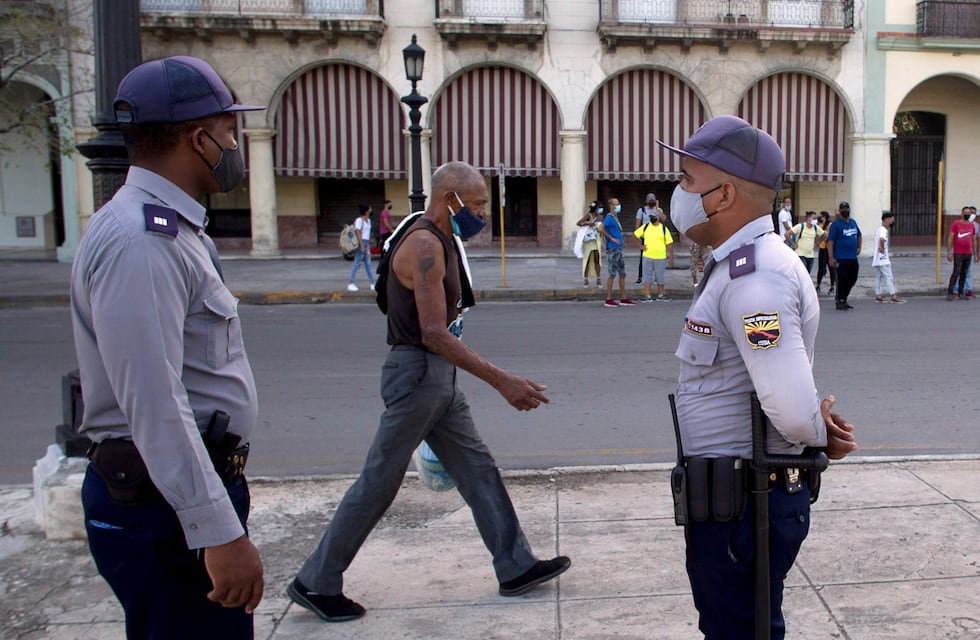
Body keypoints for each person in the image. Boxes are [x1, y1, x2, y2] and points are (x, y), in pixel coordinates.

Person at [287, 161, 571, 623]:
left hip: (435, 377)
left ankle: (515, 566)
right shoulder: (423, 245)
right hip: (419, 374)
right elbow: (434, 333)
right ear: (450, 199)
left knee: (477, 469)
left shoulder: (437, 238)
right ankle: (315, 582)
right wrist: (503, 381)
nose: (481, 213)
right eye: (477, 204)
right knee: (378, 482)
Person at [69, 56, 265, 639]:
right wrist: (217, 531)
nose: (235, 142)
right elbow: (153, 401)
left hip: (177, 491)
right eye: (228, 129)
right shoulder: (141, 241)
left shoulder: (170, 228)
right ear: (195, 137)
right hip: (163, 506)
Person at [657, 115, 858, 640]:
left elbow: (791, 411)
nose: (677, 193)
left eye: (686, 181)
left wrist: (819, 435)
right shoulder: (734, 267)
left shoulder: (757, 278)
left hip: (746, 505)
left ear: (723, 195)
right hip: (734, 500)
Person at [598, 197, 637, 307]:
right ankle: (609, 298)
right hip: (613, 249)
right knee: (612, 274)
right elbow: (600, 228)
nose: (618, 206)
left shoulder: (615, 217)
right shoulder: (609, 217)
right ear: (611, 206)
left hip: (618, 249)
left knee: (622, 273)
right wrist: (611, 238)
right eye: (616, 204)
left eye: (618, 203)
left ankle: (623, 297)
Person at [826, 201, 862, 311]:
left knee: (852, 278)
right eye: (843, 209)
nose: (845, 210)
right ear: (840, 210)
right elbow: (830, 241)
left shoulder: (853, 222)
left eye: (847, 208)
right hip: (840, 257)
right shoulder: (836, 225)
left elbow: (859, 235)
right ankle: (840, 300)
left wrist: (859, 247)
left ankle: (844, 297)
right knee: (841, 280)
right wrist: (831, 257)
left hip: (852, 257)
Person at [633, 210, 674, 302]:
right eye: (651, 216)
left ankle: (660, 295)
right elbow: (635, 235)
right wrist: (640, 246)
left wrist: (671, 257)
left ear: (658, 217)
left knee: (660, 277)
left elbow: (670, 244)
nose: (652, 218)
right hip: (647, 256)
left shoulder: (663, 229)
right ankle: (647, 295)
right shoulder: (646, 227)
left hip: (661, 257)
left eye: (654, 216)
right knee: (647, 277)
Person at [946, 205, 978, 301]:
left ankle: (960, 293)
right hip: (958, 253)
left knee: (964, 273)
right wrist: (949, 252)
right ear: (961, 214)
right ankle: (950, 293)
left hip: (968, 253)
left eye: (969, 213)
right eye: (966, 213)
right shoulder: (956, 224)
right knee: (956, 272)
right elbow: (950, 238)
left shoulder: (972, 225)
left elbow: (974, 240)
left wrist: (975, 253)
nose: (967, 214)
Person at [872, 211, 905, 303]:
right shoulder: (883, 230)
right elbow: (882, 239)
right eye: (892, 220)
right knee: (889, 276)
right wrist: (882, 249)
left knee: (878, 277)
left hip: (878, 259)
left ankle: (878, 294)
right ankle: (893, 295)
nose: (892, 223)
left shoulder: (879, 229)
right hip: (883, 259)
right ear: (887, 219)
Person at [635, 193, 663, 283]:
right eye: (650, 200)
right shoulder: (642, 210)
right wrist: (639, 240)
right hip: (646, 239)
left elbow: (663, 218)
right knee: (644, 258)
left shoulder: (658, 210)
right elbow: (637, 226)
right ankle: (641, 276)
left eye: (653, 200)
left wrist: (657, 208)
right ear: (646, 201)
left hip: (657, 239)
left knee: (657, 259)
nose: (652, 202)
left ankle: (656, 278)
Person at [347, 204, 375, 292]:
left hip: (366, 242)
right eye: (370, 209)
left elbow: (366, 232)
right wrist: (362, 245)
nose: (371, 210)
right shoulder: (359, 220)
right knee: (357, 263)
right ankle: (350, 283)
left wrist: (369, 240)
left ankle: (372, 283)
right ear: (366, 211)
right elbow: (358, 232)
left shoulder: (369, 220)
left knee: (368, 264)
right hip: (361, 243)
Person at [575, 200, 603, 288]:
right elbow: (579, 223)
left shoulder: (601, 216)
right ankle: (585, 279)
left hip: (596, 240)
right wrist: (588, 223)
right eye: (599, 207)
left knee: (597, 259)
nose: (601, 209)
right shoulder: (589, 215)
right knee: (587, 259)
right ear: (595, 208)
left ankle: (598, 279)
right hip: (588, 240)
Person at [789, 210, 824, 276]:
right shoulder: (800, 226)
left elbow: (824, 235)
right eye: (814, 218)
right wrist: (793, 243)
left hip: (810, 255)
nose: (815, 220)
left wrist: (818, 242)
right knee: (802, 273)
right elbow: (787, 234)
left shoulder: (815, 227)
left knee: (807, 274)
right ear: (808, 218)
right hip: (800, 254)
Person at [815, 211, 835, 295]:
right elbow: (817, 236)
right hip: (822, 248)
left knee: (831, 268)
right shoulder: (819, 226)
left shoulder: (829, 225)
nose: (820, 218)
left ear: (825, 217)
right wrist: (818, 242)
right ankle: (818, 286)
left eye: (821, 217)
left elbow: (830, 236)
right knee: (821, 268)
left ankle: (832, 286)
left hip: (828, 249)